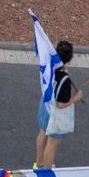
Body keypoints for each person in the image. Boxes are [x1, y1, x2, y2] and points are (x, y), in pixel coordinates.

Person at [34, 39, 81, 168]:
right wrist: (76, 98)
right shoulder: (64, 80)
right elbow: (61, 105)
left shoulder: (49, 65)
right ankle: (47, 171)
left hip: (45, 106)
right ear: (69, 59)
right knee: (52, 145)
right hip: (54, 115)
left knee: (42, 133)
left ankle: (38, 164)